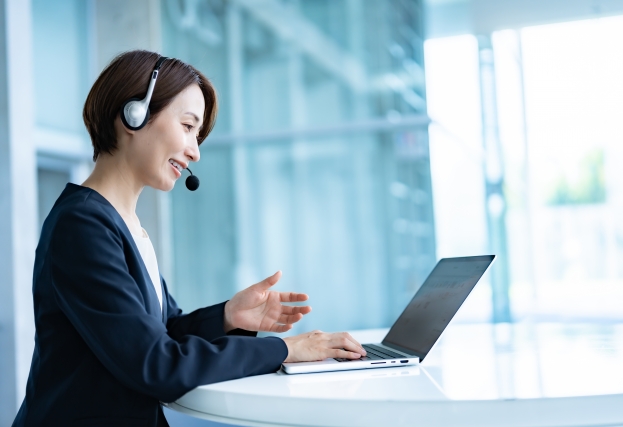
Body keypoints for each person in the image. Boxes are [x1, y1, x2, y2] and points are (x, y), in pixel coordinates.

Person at [12, 50, 366, 427]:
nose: (195, 152)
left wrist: (228, 317)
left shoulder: (124, 224)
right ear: (135, 114)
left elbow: (162, 333)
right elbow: (156, 363)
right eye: (187, 126)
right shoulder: (82, 225)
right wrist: (285, 349)